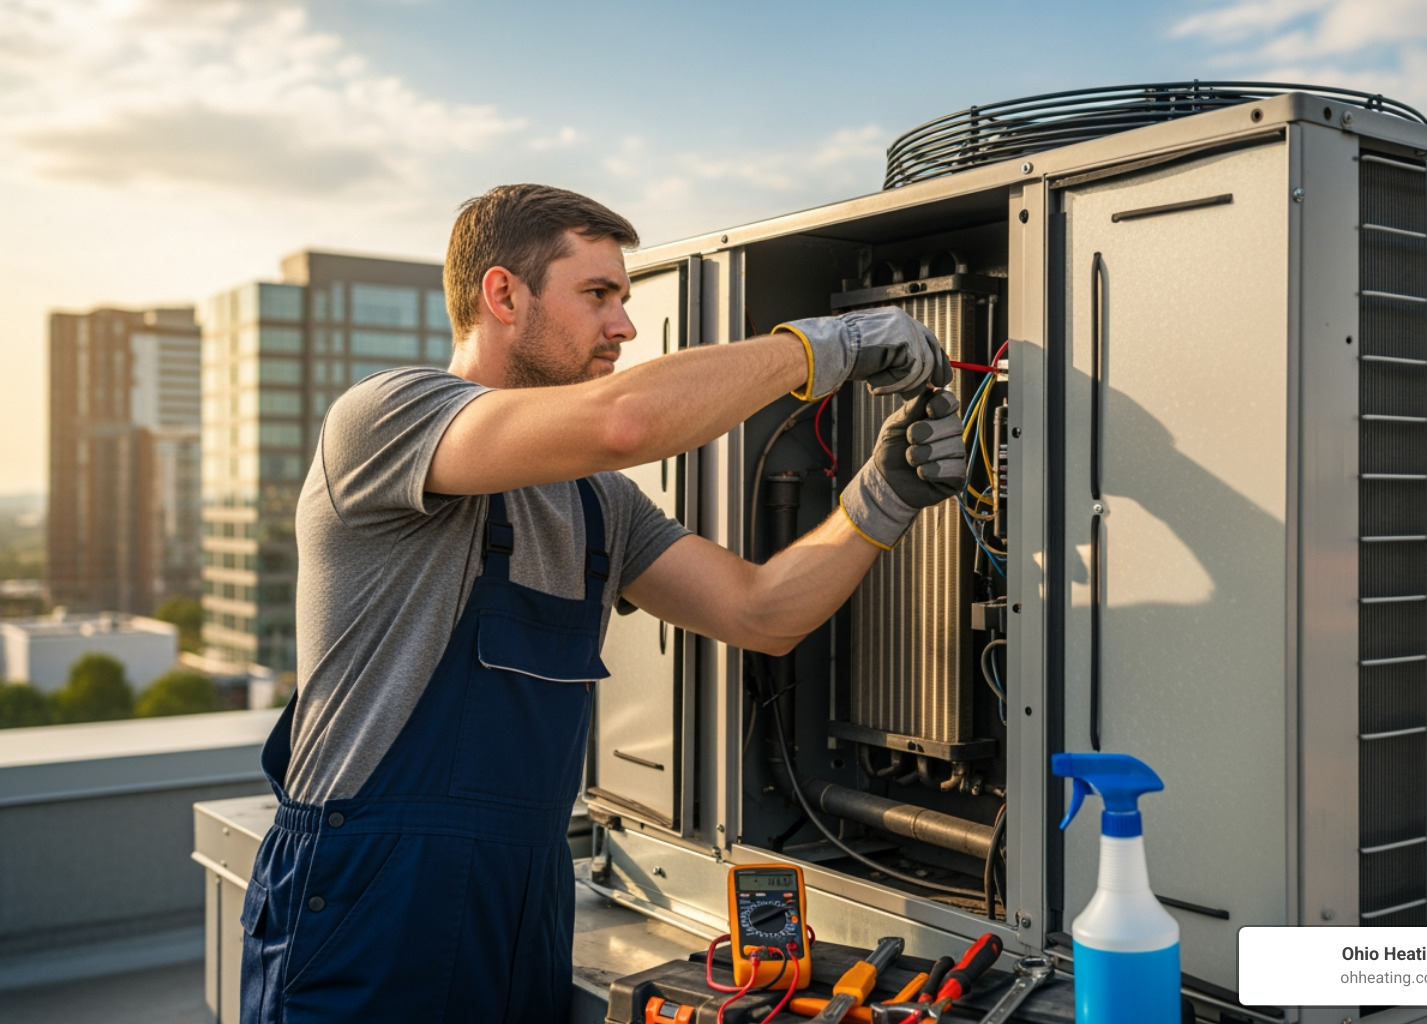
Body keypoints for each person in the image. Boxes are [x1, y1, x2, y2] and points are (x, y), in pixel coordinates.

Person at [240, 184, 967, 1024]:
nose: (623, 325)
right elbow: (626, 421)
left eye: (624, 298)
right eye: (597, 295)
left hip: (525, 901)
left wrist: (881, 500)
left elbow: (761, 614)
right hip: (371, 904)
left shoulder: (597, 505)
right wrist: (826, 346)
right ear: (503, 295)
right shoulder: (384, 420)